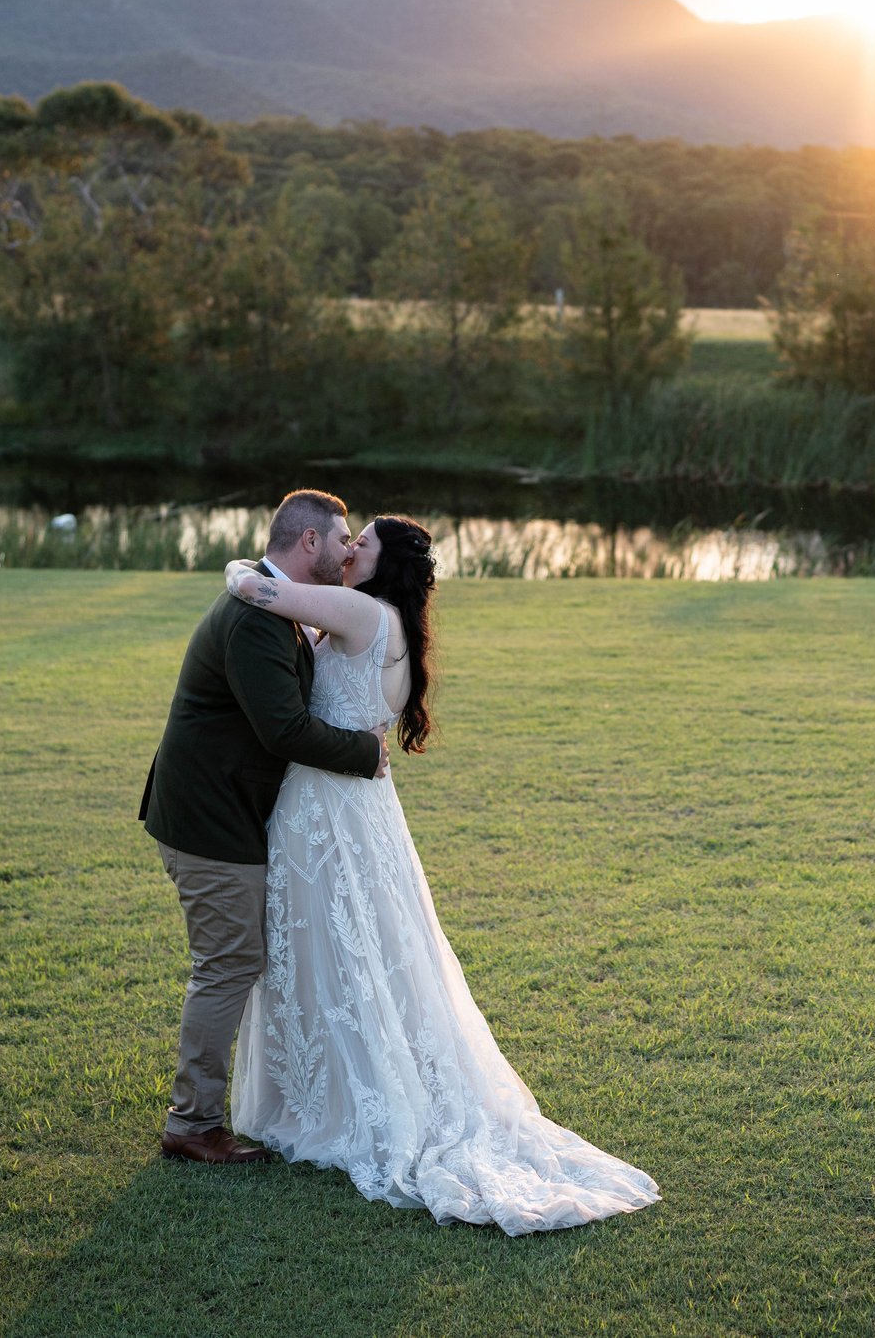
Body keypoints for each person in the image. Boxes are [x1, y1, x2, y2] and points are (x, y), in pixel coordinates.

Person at [219, 512, 660, 1234]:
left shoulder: (361, 612)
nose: (350, 546)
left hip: (326, 807)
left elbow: (264, 595)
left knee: (329, 945)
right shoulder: (394, 627)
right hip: (364, 807)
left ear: (382, 563)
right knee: (363, 947)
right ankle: (328, 1088)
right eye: (349, 536)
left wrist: (237, 569)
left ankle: (322, 1103)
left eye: (362, 542)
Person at [139, 489, 387, 1166]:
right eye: (341, 538)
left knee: (241, 960)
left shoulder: (269, 601)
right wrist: (367, 752)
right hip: (208, 819)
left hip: (220, 811)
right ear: (308, 542)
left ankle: (250, 1103)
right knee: (227, 964)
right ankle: (192, 1122)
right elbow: (283, 729)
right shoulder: (255, 619)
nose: (346, 550)